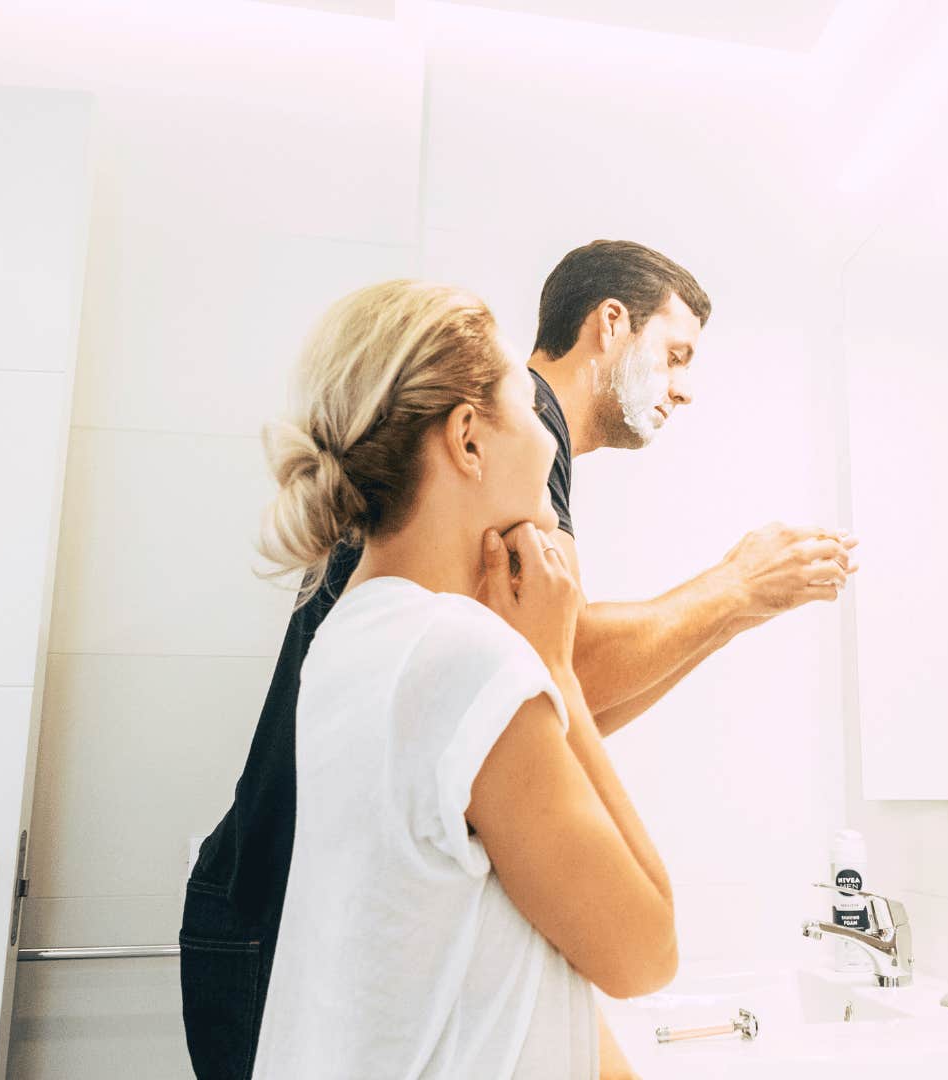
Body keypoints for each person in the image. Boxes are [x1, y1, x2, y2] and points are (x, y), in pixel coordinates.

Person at [180, 241, 857, 1078]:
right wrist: (732, 591)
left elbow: (527, 746)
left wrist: (720, 615)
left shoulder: (359, 632)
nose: (685, 386)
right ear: (469, 439)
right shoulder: (462, 640)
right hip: (263, 918)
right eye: (676, 355)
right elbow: (642, 939)